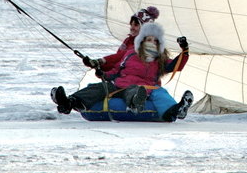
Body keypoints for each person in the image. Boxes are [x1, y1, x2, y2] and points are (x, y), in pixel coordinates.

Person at [52, 22, 194, 122]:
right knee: (98, 88)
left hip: (141, 88)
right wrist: (103, 74)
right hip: (118, 85)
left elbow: (176, 66)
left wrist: (184, 51)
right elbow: (116, 70)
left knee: (134, 91)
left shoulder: (160, 59)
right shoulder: (130, 54)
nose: (150, 43)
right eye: (148, 39)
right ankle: (68, 102)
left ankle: (137, 103)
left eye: (154, 41)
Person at [80, 6, 159, 78]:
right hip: (121, 82)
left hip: (139, 85)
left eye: (135, 25)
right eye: (131, 25)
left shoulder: (147, 45)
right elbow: (117, 63)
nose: (132, 28)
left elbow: (125, 55)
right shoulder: (128, 41)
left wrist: (101, 61)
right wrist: (98, 67)